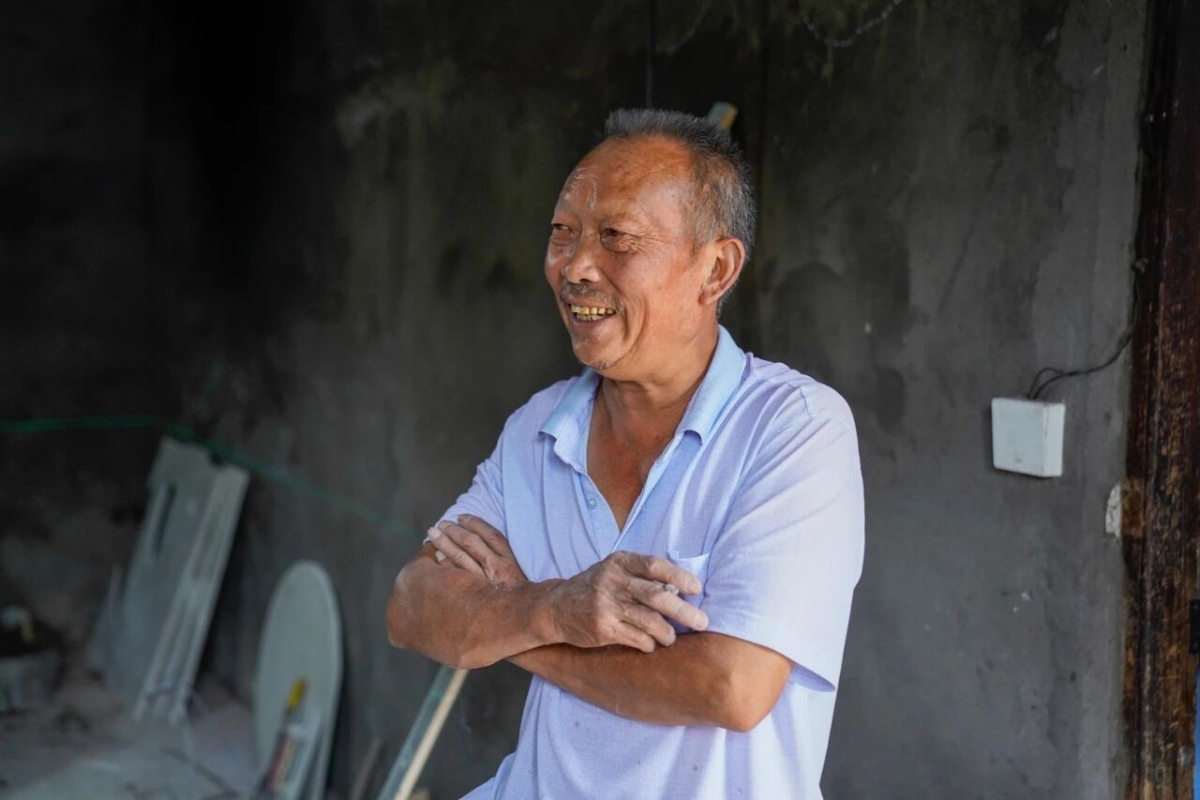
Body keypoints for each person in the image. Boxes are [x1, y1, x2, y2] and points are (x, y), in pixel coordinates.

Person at [386, 108, 864, 799]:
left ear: (715, 269)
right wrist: (555, 607)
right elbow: (413, 607)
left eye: (617, 238)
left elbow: (731, 686)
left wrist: (506, 618)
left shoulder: (793, 428)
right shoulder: (538, 429)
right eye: (563, 233)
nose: (576, 266)